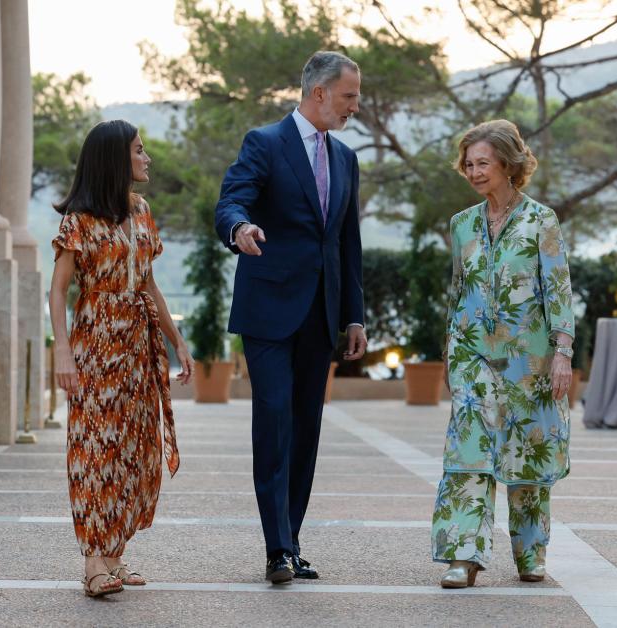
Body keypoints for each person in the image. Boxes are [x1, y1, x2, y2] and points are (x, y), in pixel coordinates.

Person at [214, 51, 368, 584]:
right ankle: (276, 547)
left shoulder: (346, 159)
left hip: (321, 316)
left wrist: (354, 316)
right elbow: (232, 200)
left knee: (306, 431)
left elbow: (348, 244)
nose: (355, 106)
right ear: (319, 93)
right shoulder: (265, 143)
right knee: (274, 421)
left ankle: (292, 541)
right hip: (270, 312)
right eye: (349, 96)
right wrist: (240, 229)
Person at [49, 120, 194, 597]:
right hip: (95, 342)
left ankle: (114, 554)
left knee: (135, 450)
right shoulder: (79, 221)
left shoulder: (142, 212)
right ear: (116, 159)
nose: (146, 157)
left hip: (137, 344)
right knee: (94, 450)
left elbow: (148, 283)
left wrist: (177, 341)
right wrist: (63, 354)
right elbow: (58, 292)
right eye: (138, 149)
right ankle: (93, 562)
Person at [433, 119, 575, 588]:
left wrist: (562, 352)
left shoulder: (541, 220)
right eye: (468, 164)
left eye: (483, 163)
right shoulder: (461, 225)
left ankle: (530, 555)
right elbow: (457, 294)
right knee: (467, 455)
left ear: (509, 165)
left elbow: (557, 289)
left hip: (529, 360)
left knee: (526, 458)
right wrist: (449, 356)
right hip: (472, 357)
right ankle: (463, 557)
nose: (474, 172)